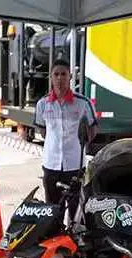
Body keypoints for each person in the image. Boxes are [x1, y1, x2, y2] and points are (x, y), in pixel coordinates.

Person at [33, 58, 98, 219]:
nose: (60, 78)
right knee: (53, 209)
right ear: (51, 77)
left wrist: (81, 142)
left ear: (70, 77)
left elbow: (93, 128)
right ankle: (56, 239)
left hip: (75, 166)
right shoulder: (42, 104)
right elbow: (42, 130)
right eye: (56, 74)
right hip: (51, 165)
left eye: (64, 74)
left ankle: (73, 239)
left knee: (75, 210)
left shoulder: (83, 103)